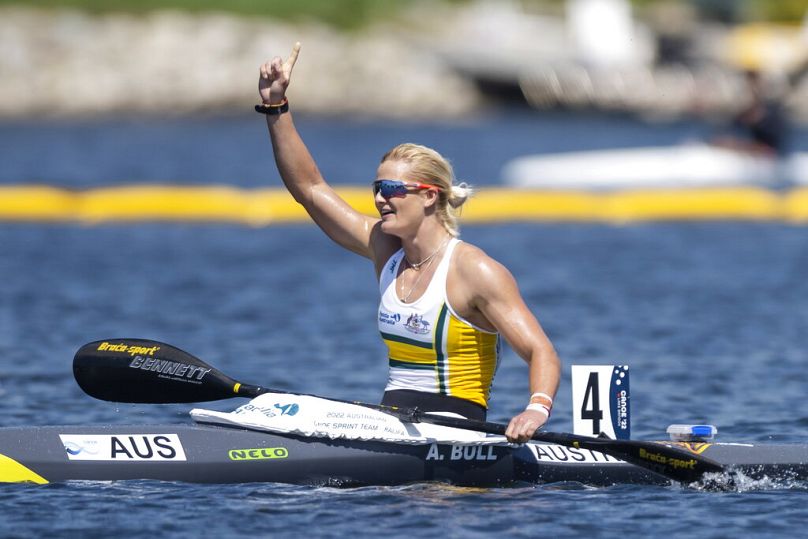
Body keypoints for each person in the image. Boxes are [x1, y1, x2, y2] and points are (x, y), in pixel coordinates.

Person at [257, 43, 560, 443]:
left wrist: (534, 411)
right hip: (390, 425)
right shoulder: (385, 248)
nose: (381, 198)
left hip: (457, 431)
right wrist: (277, 109)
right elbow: (309, 189)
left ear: (429, 195)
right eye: (377, 187)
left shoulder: (474, 270)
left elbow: (542, 352)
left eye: (393, 188)